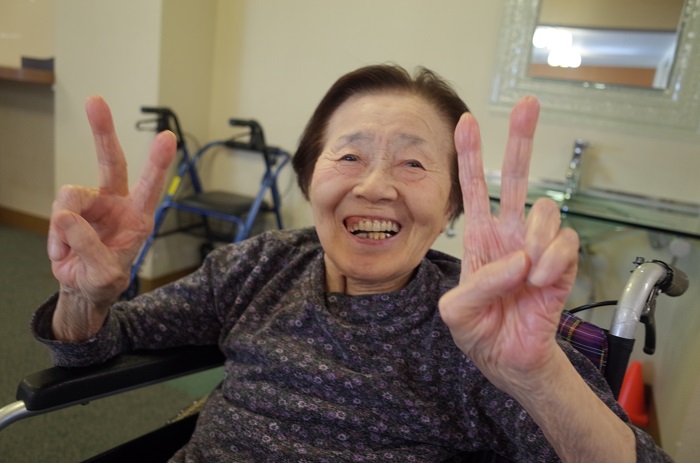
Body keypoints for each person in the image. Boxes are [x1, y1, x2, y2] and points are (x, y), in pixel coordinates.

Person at [32, 64, 672, 462]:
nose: (375, 186)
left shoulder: (484, 325)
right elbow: (95, 345)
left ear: (451, 205)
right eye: (349, 156)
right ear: (311, 177)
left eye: (413, 163)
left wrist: (538, 377)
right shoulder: (262, 266)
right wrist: (85, 298)